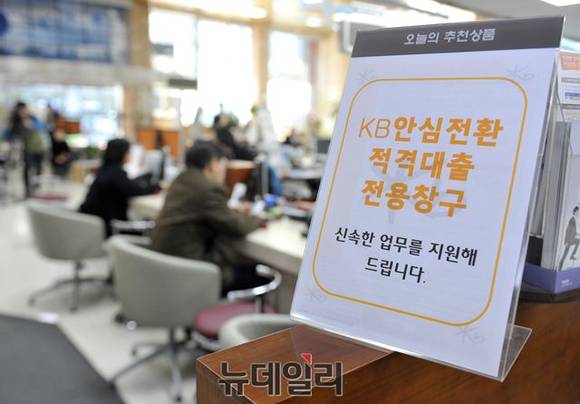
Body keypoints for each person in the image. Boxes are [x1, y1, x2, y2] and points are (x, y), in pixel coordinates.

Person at [151, 141, 265, 293]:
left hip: (164, 268)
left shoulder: (181, 179)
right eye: (222, 163)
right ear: (211, 164)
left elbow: (206, 210)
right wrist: (260, 217)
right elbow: (238, 227)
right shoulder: (209, 189)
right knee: (261, 273)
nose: (224, 169)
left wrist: (233, 211)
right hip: (192, 274)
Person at [80, 138, 159, 237]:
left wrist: (145, 178)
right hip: (110, 229)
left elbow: (128, 184)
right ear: (122, 153)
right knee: (152, 227)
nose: (131, 154)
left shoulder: (105, 169)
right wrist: (156, 187)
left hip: (94, 226)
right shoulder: (117, 174)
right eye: (129, 152)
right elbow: (137, 190)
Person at [559, 206, 580, 270]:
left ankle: (572, 255)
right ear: (575, 212)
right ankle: (560, 268)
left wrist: (578, 234)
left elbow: (573, 232)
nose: (578, 213)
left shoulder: (574, 220)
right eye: (578, 212)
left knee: (578, 241)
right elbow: (567, 231)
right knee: (564, 256)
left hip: (571, 239)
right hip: (569, 241)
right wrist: (566, 241)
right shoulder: (572, 220)